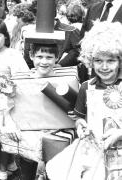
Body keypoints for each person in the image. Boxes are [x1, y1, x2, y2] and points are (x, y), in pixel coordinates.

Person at [46, 21, 122, 180]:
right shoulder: (86, 87)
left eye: (111, 61)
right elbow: (80, 118)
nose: (105, 67)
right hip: (93, 147)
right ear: (90, 61)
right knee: (60, 169)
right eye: (98, 61)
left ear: (120, 61)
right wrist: (81, 126)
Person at [0, 42, 77, 180]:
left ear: (57, 58)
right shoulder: (20, 82)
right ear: (31, 56)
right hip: (30, 138)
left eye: (49, 57)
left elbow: (77, 109)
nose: (44, 61)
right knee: (27, 173)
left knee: (56, 173)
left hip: (59, 138)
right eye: (39, 56)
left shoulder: (67, 80)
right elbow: (8, 109)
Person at [0, 18, 29, 180]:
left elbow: (22, 77)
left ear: (5, 36)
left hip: (6, 99)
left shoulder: (12, 54)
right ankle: (10, 164)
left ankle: (3, 171)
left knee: (4, 133)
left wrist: (11, 89)